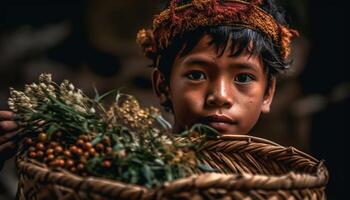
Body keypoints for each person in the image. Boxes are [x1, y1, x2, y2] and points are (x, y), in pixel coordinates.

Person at [1, 0, 297, 169]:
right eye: (196, 75)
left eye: (243, 78)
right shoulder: (119, 164)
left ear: (268, 93)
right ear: (163, 85)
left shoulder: (284, 182)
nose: (219, 96)